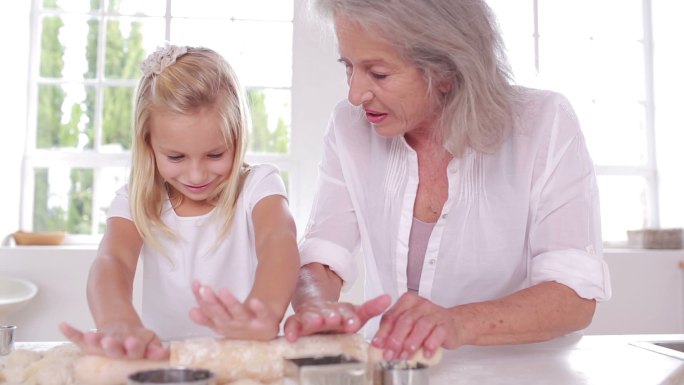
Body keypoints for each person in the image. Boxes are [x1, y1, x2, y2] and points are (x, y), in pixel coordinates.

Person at [283, 0, 612, 362]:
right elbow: (323, 252)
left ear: (446, 70)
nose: (355, 94)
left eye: (378, 74)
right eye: (349, 67)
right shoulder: (349, 127)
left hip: (519, 374)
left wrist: (456, 323)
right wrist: (316, 307)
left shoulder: (544, 124)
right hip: (395, 370)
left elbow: (573, 295)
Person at [59, 45, 299, 360]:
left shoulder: (259, 185)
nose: (197, 174)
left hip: (245, 358)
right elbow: (112, 261)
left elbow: (278, 241)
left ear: (237, 136)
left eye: (216, 154)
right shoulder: (136, 201)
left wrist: (264, 310)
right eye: (176, 156)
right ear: (149, 145)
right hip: (165, 365)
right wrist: (117, 321)